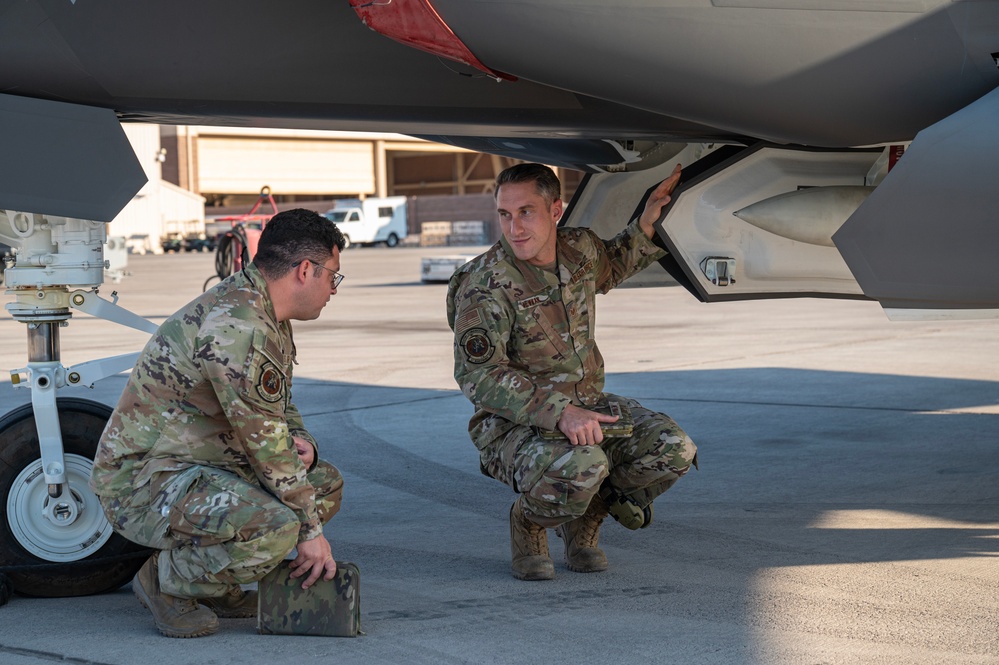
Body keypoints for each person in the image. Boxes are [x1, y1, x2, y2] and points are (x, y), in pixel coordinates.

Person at [91, 208, 347, 637]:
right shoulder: (239, 325)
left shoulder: (265, 311)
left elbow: (278, 407)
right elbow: (265, 445)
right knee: (282, 526)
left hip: (201, 464)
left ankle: (214, 580)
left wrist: (304, 443)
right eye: (333, 276)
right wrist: (309, 531)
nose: (333, 290)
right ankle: (168, 579)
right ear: (306, 270)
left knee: (324, 484)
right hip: (143, 482)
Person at [446, 163, 698, 580]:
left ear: (556, 210)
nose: (515, 227)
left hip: (589, 407)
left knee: (674, 448)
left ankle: (585, 517)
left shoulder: (580, 249)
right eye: (505, 215)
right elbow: (480, 376)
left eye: (526, 211)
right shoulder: (484, 284)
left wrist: (649, 222)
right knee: (585, 464)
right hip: (514, 426)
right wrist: (561, 412)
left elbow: (614, 262)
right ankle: (529, 522)